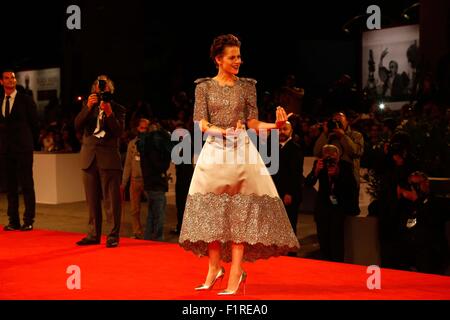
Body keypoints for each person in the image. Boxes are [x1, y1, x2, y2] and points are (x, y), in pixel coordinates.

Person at [179, 34, 300, 295]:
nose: (238, 61)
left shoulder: (247, 86)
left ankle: (236, 271)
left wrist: (275, 126)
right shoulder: (204, 87)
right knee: (210, 211)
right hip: (214, 151)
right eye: (232, 57)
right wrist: (219, 132)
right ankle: (214, 269)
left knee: (240, 214)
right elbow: (201, 122)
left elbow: (253, 123)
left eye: (239, 57)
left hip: (241, 153)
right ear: (218, 59)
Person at [74, 75, 126, 248]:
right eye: (98, 85)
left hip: (109, 159)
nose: (101, 89)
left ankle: (113, 235)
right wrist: (88, 107)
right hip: (89, 157)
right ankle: (93, 234)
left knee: (112, 201)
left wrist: (109, 113)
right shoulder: (88, 106)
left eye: (104, 86)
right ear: (93, 90)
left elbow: (119, 132)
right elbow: (77, 125)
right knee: (92, 200)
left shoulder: (118, 109)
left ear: (110, 90)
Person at [305, 145, 359, 262]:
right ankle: (325, 265)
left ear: (338, 155)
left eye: (332, 153)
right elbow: (308, 183)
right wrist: (316, 171)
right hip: (322, 208)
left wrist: (337, 175)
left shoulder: (345, 166)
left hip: (338, 208)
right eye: (326, 153)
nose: (329, 156)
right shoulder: (319, 164)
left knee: (336, 241)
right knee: (323, 239)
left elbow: (351, 186)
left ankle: (337, 266)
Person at [0, 70, 39, 231]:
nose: (11, 80)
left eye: (13, 78)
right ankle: (13, 220)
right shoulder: (0, 101)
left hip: (23, 149)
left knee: (26, 184)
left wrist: (30, 143)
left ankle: (28, 220)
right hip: (5, 150)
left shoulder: (26, 100)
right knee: (10, 186)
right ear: (1, 82)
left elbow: (35, 125)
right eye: (7, 78)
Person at [137, 122, 172, 241]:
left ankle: (148, 238)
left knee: (151, 215)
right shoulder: (154, 148)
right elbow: (160, 166)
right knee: (159, 215)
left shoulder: (143, 146)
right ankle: (158, 239)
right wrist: (167, 156)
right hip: (156, 185)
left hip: (149, 184)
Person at [272, 121, 304, 248]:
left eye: (285, 129)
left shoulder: (296, 149)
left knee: (289, 223)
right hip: (274, 193)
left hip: (289, 194)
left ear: (291, 131)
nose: (281, 132)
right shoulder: (271, 148)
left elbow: (296, 174)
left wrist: (289, 193)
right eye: (279, 129)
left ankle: (290, 252)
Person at [314, 111, 364, 191]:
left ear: (347, 122)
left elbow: (356, 152)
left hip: (349, 182)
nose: (337, 123)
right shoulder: (329, 136)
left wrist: (343, 136)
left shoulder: (356, 135)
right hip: (330, 181)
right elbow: (317, 152)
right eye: (335, 121)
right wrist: (325, 134)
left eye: (339, 121)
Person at [120, 118, 150, 239]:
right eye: (141, 128)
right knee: (134, 209)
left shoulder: (151, 143)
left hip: (148, 180)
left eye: (145, 128)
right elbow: (128, 164)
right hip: (134, 180)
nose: (143, 131)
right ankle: (137, 232)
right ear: (138, 128)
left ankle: (151, 232)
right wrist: (123, 182)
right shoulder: (132, 144)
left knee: (152, 207)